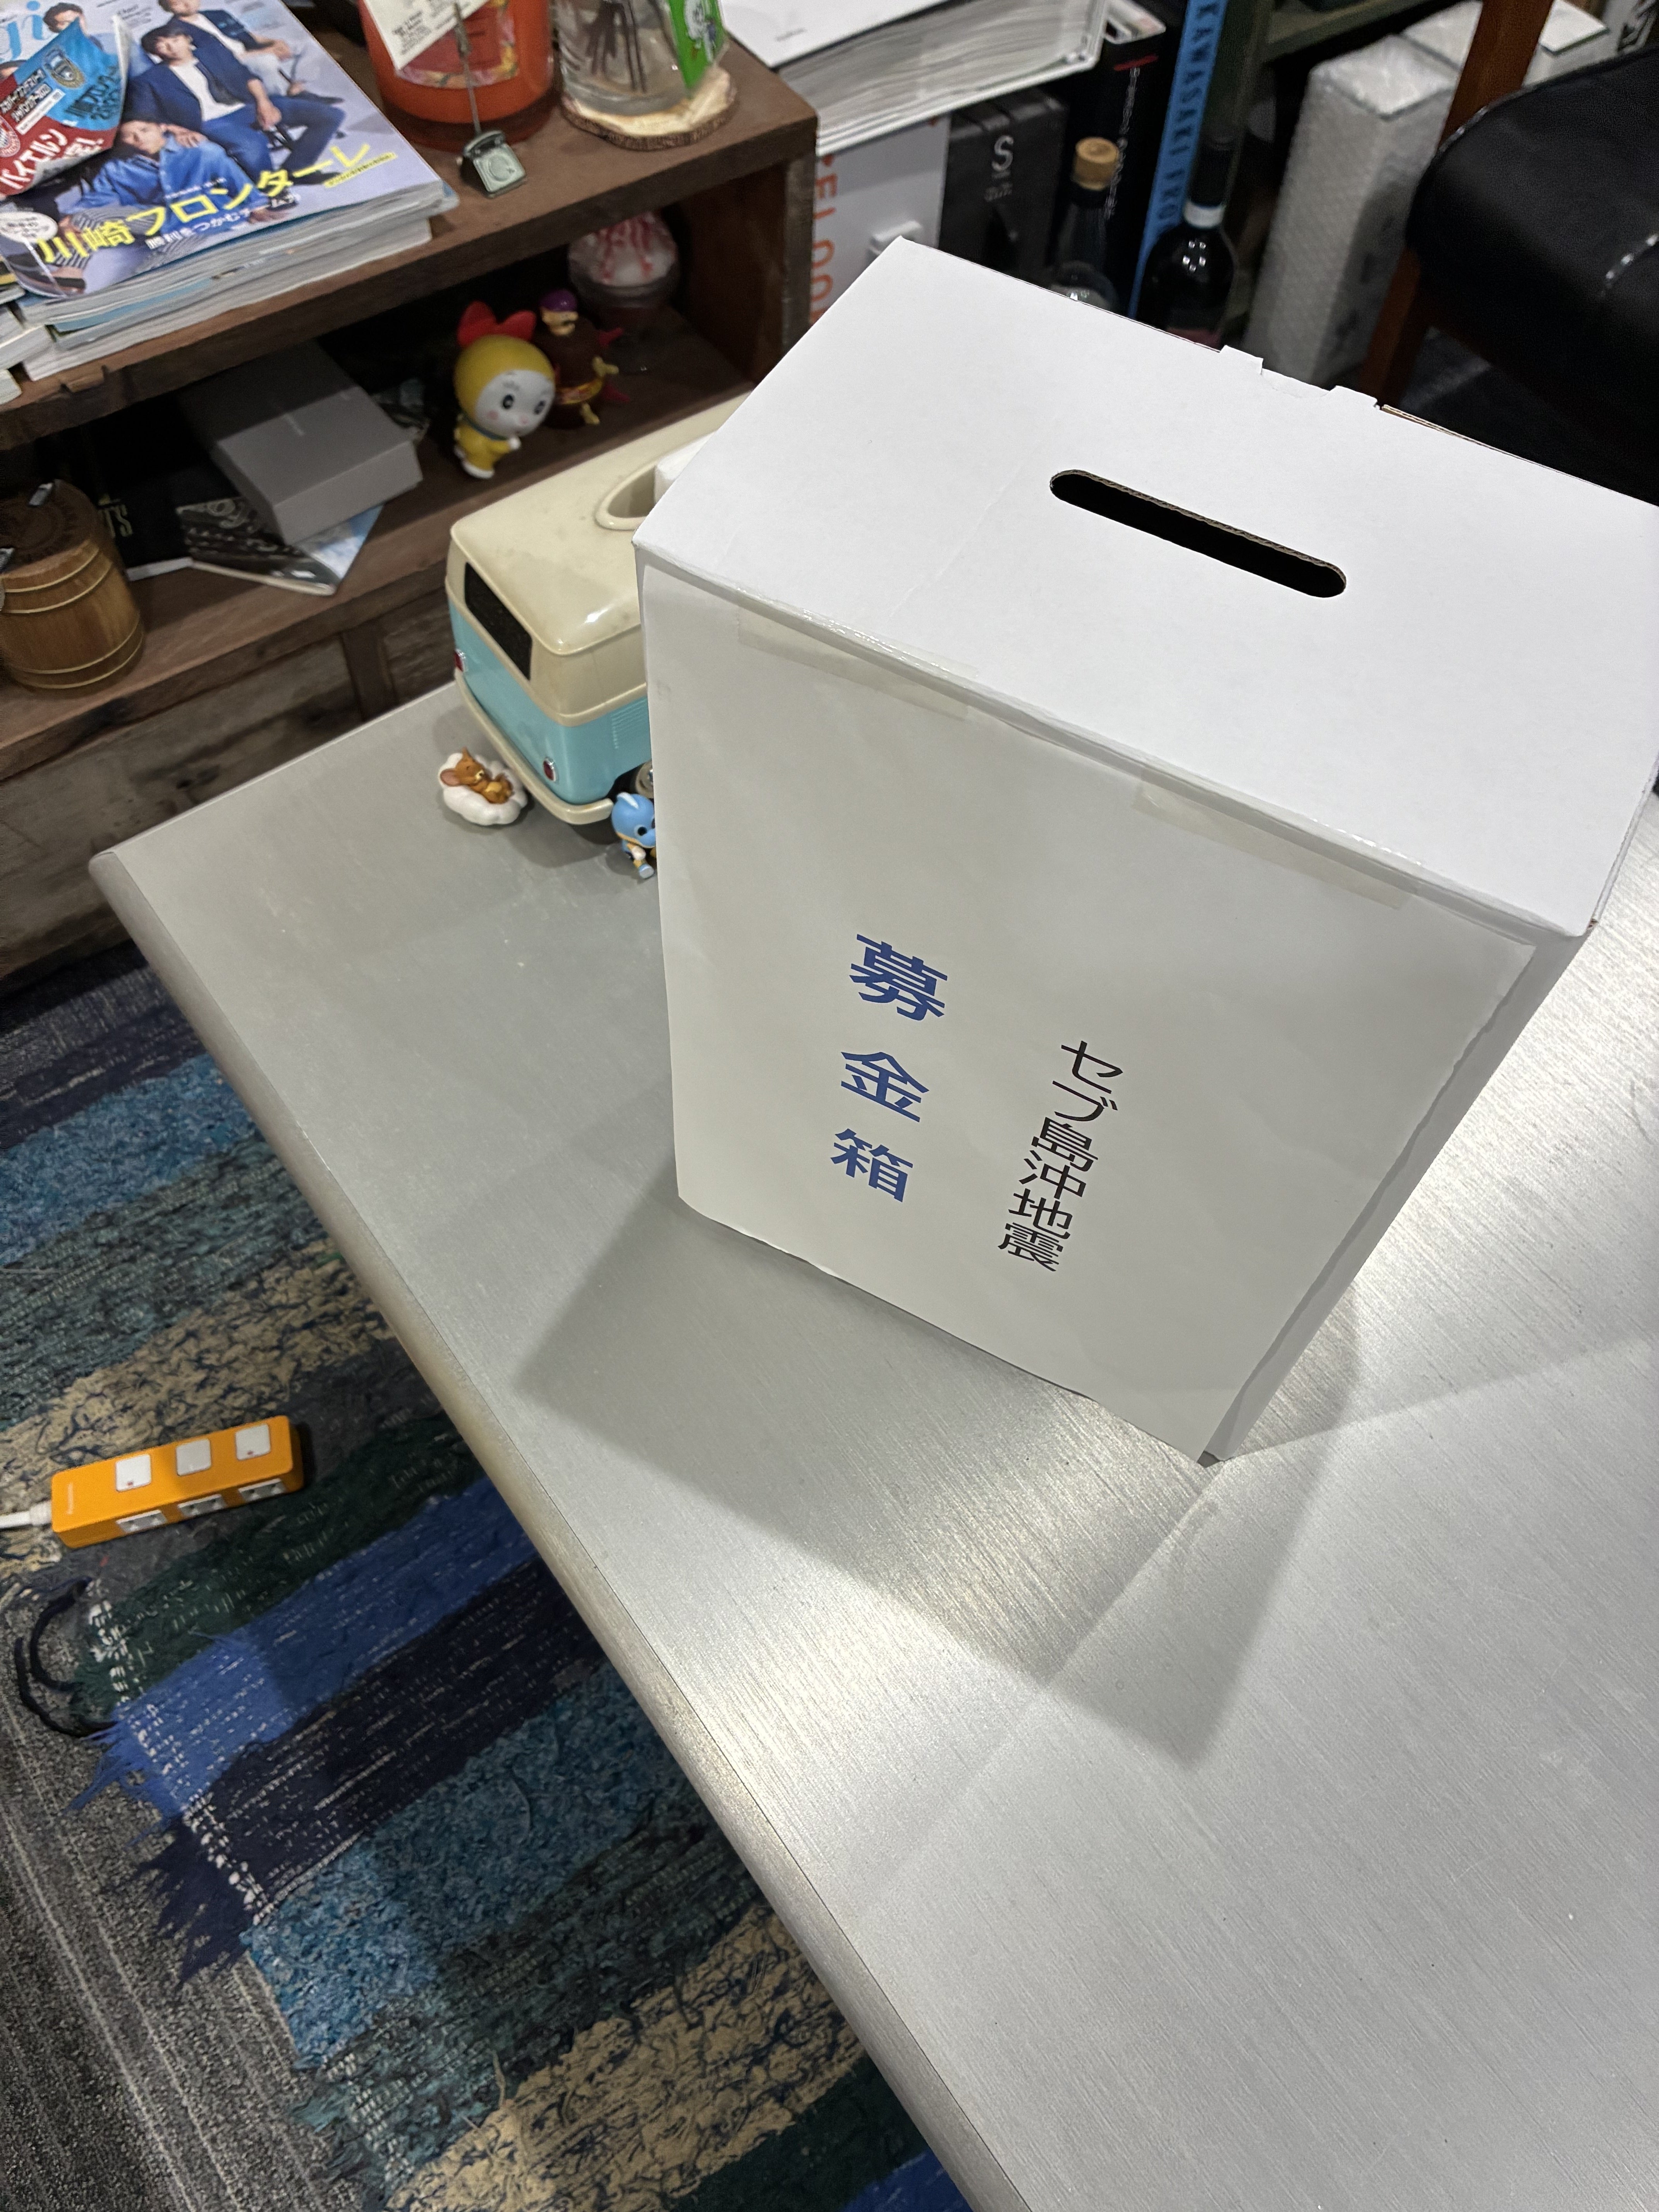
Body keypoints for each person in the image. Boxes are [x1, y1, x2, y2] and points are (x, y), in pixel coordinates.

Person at [127, 24, 338, 187]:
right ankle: (270, 187)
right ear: (156, 52)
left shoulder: (214, 53)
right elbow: (146, 115)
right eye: (162, 45)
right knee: (252, 145)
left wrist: (264, 103)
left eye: (175, 40)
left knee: (330, 116)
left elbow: (249, 78)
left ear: (187, 39)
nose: (172, 47)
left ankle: (296, 170)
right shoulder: (150, 79)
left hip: (248, 105)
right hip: (211, 122)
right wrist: (179, 130)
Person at [68, 115, 280, 232]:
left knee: (162, 262)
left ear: (162, 127)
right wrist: (71, 218)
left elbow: (231, 176)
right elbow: (99, 198)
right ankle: (71, 272)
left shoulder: (200, 150)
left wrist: (256, 206)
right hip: (156, 217)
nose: (139, 140)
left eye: (145, 131)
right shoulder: (116, 167)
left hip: (201, 216)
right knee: (79, 220)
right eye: (129, 136)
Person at [153, 0, 304, 100]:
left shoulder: (218, 14)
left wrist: (275, 42)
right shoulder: (174, 32)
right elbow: (214, 60)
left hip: (253, 52)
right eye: (177, 3)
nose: (187, 3)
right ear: (168, 8)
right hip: (228, 66)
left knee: (302, 45)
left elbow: (246, 35)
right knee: (266, 61)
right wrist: (267, 51)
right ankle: (283, 100)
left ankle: (296, 85)